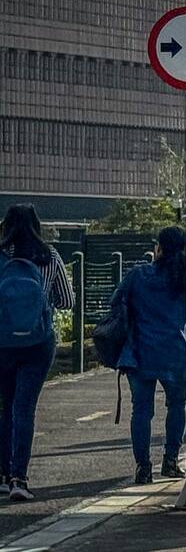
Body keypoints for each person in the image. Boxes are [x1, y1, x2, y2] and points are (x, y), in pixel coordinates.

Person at [112, 226, 186, 484]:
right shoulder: (185, 277)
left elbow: (115, 301)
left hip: (139, 352)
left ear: (158, 247)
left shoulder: (138, 275)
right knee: (177, 406)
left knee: (141, 410)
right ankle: (170, 460)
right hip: (175, 353)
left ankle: (143, 467)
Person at [0, 204, 74, 502]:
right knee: (24, 408)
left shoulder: (1, 256)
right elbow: (67, 301)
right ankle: (20, 478)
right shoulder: (50, 256)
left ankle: (2, 476)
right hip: (38, 343)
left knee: (6, 406)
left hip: (2, 342)